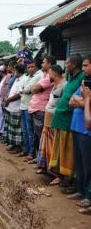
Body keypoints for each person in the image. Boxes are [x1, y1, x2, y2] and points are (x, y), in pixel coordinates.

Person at [50, 55, 84, 186]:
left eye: (68, 63)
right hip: (60, 120)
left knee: (67, 151)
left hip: (68, 121)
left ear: (74, 64)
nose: (66, 65)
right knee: (59, 150)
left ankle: (68, 178)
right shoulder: (71, 78)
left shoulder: (81, 78)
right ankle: (60, 176)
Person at [68, 55, 91, 213]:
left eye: (86, 65)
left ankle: (88, 196)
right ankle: (81, 191)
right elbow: (71, 100)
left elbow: (83, 102)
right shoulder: (84, 83)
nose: (83, 69)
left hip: (86, 130)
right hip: (76, 127)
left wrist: (83, 101)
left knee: (88, 164)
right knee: (79, 162)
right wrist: (84, 101)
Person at [37, 65, 66, 174]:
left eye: (49, 73)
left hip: (55, 121)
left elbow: (63, 105)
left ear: (54, 73)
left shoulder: (65, 85)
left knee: (53, 146)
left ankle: (55, 172)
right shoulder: (55, 85)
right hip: (47, 120)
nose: (48, 76)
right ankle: (45, 166)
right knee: (45, 144)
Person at [26, 56, 55, 164]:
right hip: (36, 108)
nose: (42, 64)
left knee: (40, 136)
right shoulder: (44, 75)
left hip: (41, 109)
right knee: (36, 135)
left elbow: (34, 89)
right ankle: (39, 158)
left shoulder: (49, 78)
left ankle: (42, 160)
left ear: (50, 64)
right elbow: (34, 89)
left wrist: (35, 88)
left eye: (44, 62)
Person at [19, 60, 43, 158]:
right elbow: (22, 87)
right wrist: (24, 89)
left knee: (30, 131)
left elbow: (28, 89)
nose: (30, 69)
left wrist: (24, 90)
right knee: (25, 130)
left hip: (30, 107)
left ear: (37, 67)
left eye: (32, 67)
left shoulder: (39, 76)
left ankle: (31, 152)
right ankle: (26, 149)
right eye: (28, 67)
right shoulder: (28, 76)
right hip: (23, 105)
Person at [4, 64, 26, 154]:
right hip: (10, 107)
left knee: (17, 128)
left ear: (18, 71)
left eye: (15, 70)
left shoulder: (23, 79)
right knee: (11, 127)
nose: (14, 72)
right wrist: (7, 98)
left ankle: (18, 146)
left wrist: (8, 100)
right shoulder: (16, 79)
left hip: (16, 107)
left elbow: (19, 94)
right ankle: (13, 144)